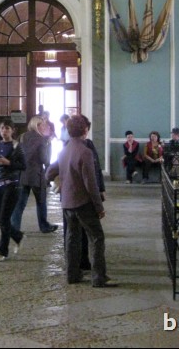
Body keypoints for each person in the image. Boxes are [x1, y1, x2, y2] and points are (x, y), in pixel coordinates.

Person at [46, 115, 116, 288]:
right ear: (85, 130)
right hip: (83, 202)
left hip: (67, 202)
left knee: (72, 238)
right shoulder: (85, 152)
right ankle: (99, 277)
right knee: (97, 238)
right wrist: (99, 207)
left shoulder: (64, 150)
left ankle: (72, 274)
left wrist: (61, 181)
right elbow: (90, 184)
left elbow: (48, 172)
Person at [10, 116, 58, 233]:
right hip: (36, 175)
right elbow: (44, 159)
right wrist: (48, 145)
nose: (46, 126)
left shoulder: (23, 136)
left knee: (20, 203)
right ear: (37, 126)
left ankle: (14, 228)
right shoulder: (42, 139)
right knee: (41, 202)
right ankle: (44, 226)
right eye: (43, 125)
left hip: (23, 174)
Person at [0, 119, 25, 262]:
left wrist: (9, 163)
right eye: (2, 128)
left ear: (12, 130)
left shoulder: (17, 146)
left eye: (7, 128)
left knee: (4, 219)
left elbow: (23, 165)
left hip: (12, 185)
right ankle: (18, 236)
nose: (4, 131)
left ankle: (2, 251)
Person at [78, 115, 106, 270]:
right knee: (89, 233)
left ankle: (81, 263)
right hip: (83, 196)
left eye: (87, 129)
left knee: (84, 232)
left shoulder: (90, 145)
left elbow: (97, 169)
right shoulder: (72, 147)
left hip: (89, 193)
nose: (86, 132)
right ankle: (91, 268)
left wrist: (101, 188)